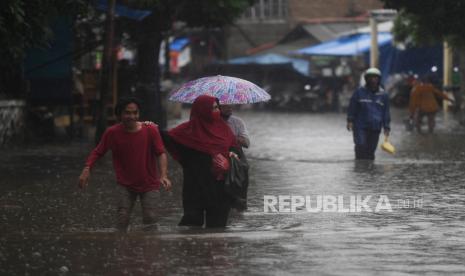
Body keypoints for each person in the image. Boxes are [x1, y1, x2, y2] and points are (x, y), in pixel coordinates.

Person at [78, 97, 171, 231]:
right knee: (122, 219)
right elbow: (98, 152)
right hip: (125, 184)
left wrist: (163, 175)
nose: (132, 116)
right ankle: (122, 247)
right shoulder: (112, 133)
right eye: (127, 113)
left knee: (151, 218)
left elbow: (161, 153)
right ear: (119, 115)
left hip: (149, 183)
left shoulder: (150, 130)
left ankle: (150, 247)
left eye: (135, 113)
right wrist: (87, 168)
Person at [162, 95, 239, 228]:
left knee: (217, 231)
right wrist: (151, 127)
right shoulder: (186, 131)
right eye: (213, 108)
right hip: (195, 187)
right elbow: (169, 139)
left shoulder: (224, 129)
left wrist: (231, 157)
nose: (217, 111)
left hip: (220, 189)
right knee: (191, 227)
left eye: (217, 108)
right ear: (202, 110)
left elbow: (235, 149)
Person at [347, 68, 390, 160]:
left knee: (371, 151)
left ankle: (369, 170)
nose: (373, 80)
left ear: (379, 79)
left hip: (375, 126)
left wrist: (386, 127)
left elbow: (386, 112)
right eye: (371, 78)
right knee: (361, 145)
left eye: (375, 78)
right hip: (360, 125)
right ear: (367, 79)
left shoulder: (383, 95)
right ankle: (359, 166)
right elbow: (352, 107)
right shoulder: (359, 92)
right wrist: (350, 120)